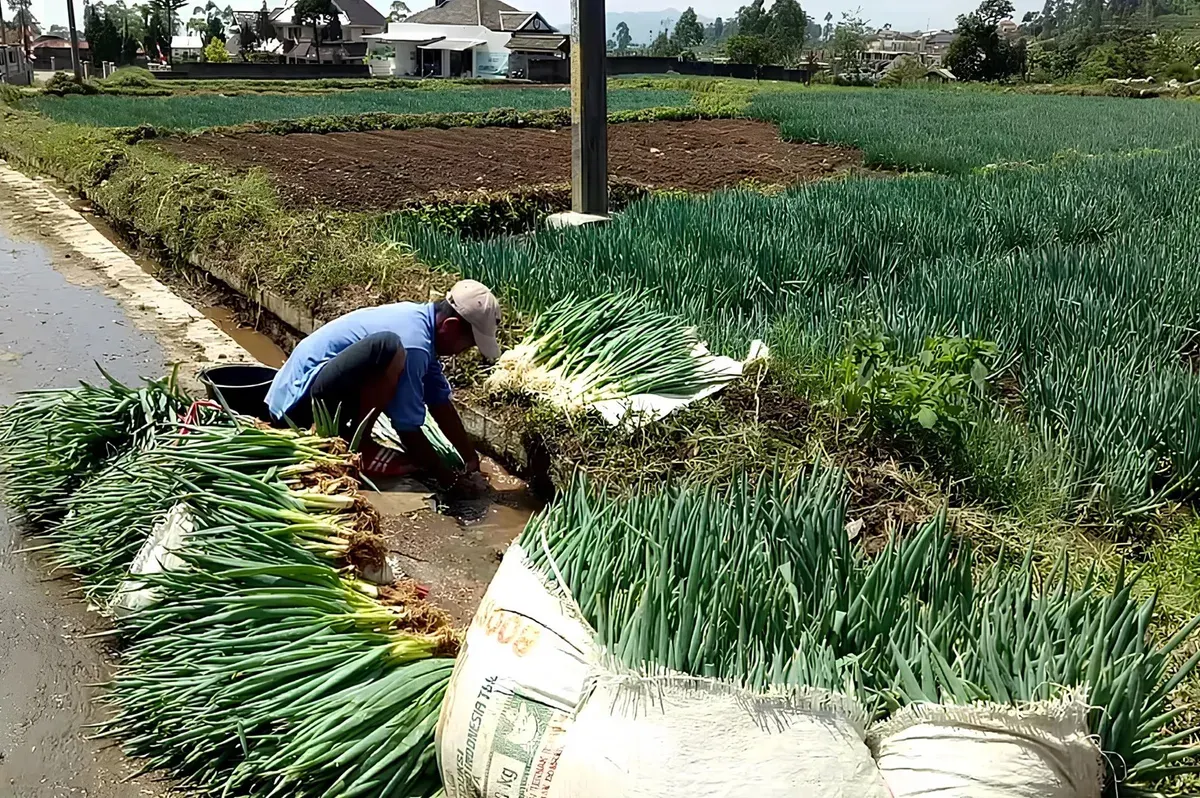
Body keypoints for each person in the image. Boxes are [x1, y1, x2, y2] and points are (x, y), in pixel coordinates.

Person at [265, 280, 501, 485]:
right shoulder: (413, 344)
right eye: (467, 344)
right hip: (296, 410)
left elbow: (439, 401)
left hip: (297, 394)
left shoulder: (420, 324)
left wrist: (470, 458)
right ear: (450, 326)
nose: (462, 352)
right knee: (388, 348)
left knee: (392, 350)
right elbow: (406, 425)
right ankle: (360, 446)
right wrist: (449, 481)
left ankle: (355, 438)